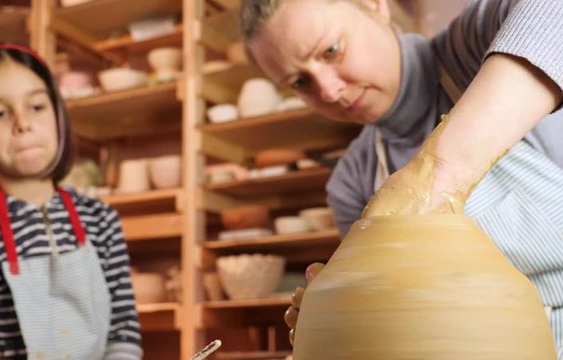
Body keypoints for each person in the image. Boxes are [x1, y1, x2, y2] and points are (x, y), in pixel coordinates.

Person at [239, 0, 563, 353]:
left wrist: (437, 175)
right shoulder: (352, 180)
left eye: (331, 51)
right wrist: (339, 316)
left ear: (375, 5)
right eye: (300, 82)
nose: (329, 91)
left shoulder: (474, 46)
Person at [0, 41, 143, 359]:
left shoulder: (101, 220)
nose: (22, 124)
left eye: (37, 107)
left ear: (57, 113)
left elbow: (122, 330)